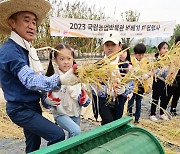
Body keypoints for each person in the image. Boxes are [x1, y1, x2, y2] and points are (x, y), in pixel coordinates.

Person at [0, 0, 78, 153]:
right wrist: (60, 79)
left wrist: (47, 99)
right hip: (20, 109)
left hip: (32, 106)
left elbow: (39, 82)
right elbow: (30, 80)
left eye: (34, 22)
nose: (32, 26)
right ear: (12, 23)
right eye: (26, 20)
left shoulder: (29, 50)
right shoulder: (10, 51)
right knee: (57, 135)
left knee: (33, 145)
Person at [45, 43, 90, 138]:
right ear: (55, 60)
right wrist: (48, 101)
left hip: (76, 112)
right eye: (62, 59)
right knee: (76, 131)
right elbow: (45, 101)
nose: (66, 62)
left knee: (73, 138)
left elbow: (86, 99)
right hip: (60, 114)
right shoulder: (53, 79)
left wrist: (84, 99)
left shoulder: (79, 76)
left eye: (69, 58)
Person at [92, 30, 132, 125]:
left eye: (113, 45)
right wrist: (105, 90)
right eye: (107, 45)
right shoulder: (97, 66)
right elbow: (92, 86)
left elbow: (131, 84)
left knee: (116, 123)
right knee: (108, 122)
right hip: (103, 101)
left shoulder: (126, 66)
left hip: (119, 101)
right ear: (103, 47)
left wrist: (124, 89)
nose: (110, 48)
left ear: (120, 46)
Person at [149, 42, 170, 121]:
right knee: (155, 98)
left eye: (167, 48)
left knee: (164, 98)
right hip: (157, 81)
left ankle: (162, 113)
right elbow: (153, 70)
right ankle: (152, 114)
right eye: (164, 48)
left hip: (166, 81)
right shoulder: (156, 60)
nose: (166, 50)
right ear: (159, 50)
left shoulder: (168, 59)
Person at [128, 43, 147, 124]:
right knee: (130, 103)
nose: (141, 56)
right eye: (139, 55)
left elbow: (146, 71)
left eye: (143, 54)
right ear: (135, 53)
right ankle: (128, 117)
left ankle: (137, 119)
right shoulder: (131, 61)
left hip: (141, 85)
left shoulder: (144, 62)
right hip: (132, 87)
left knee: (139, 103)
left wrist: (146, 75)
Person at [115, 44, 134, 118]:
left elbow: (131, 81)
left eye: (123, 52)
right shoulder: (114, 64)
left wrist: (130, 92)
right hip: (113, 92)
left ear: (127, 53)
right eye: (119, 51)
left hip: (123, 93)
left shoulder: (129, 66)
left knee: (119, 111)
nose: (121, 54)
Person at [167, 36, 180, 116]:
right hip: (172, 77)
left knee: (177, 94)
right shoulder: (172, 54)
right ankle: (163, 108)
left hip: (179, 77)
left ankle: (173, 108)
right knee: (169, 93)